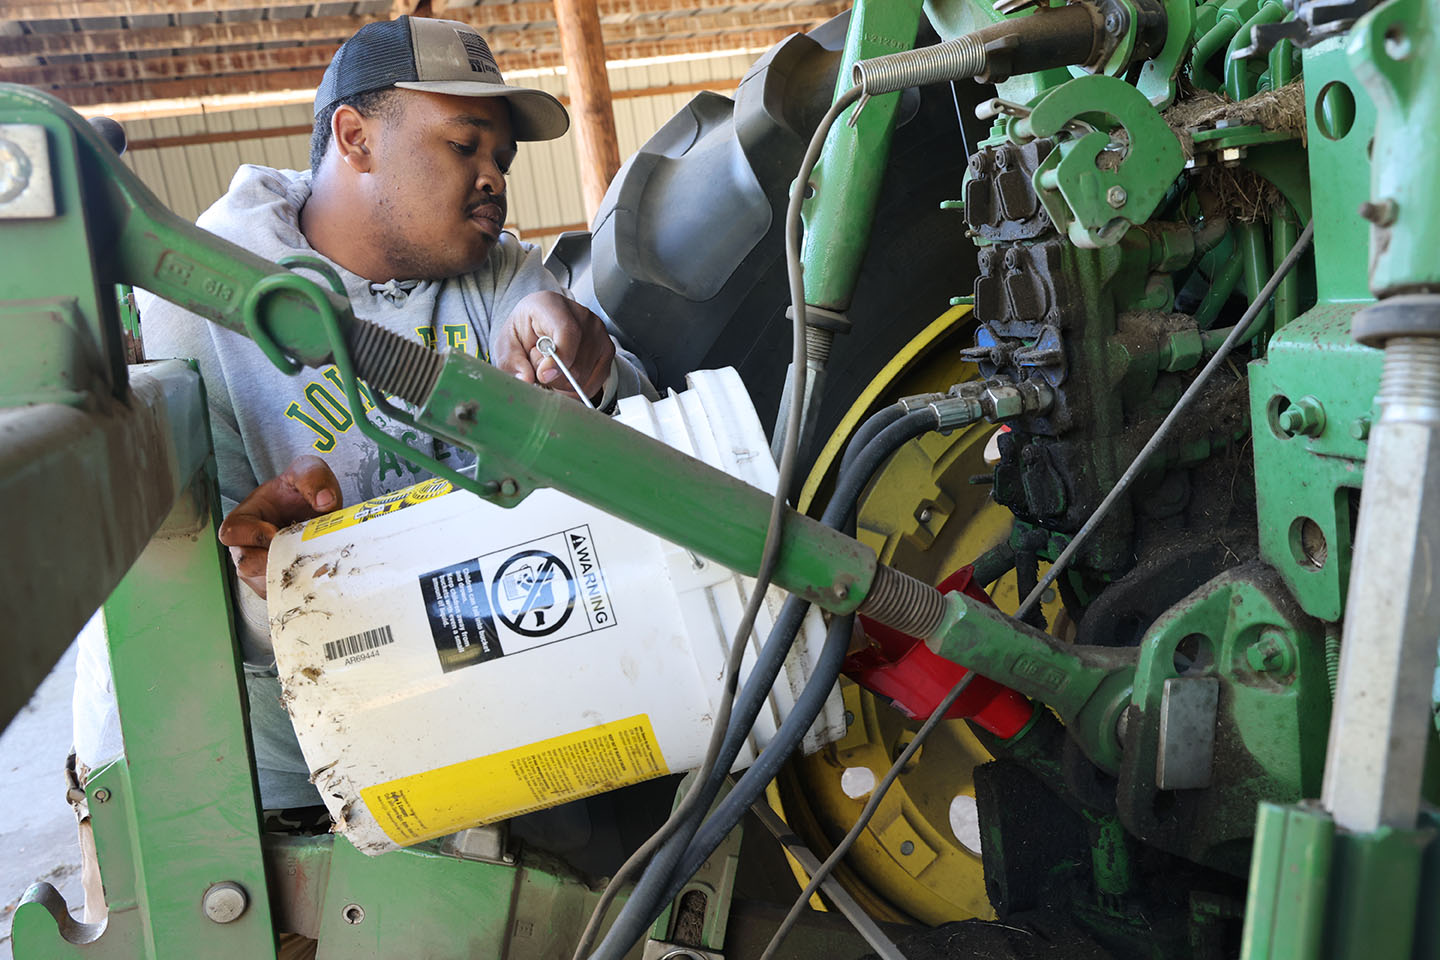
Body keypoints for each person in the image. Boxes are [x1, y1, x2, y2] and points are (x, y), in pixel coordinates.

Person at [70, 14, 657, 923]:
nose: (495, 177)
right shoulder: (205, 294)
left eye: (503, 156)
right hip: (238, 778)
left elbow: (643, 425)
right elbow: (168, 595)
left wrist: (589, 360)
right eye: (464, 144)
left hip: (432, 735)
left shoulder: (500, 271)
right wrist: (266, 570)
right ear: (354, 137)